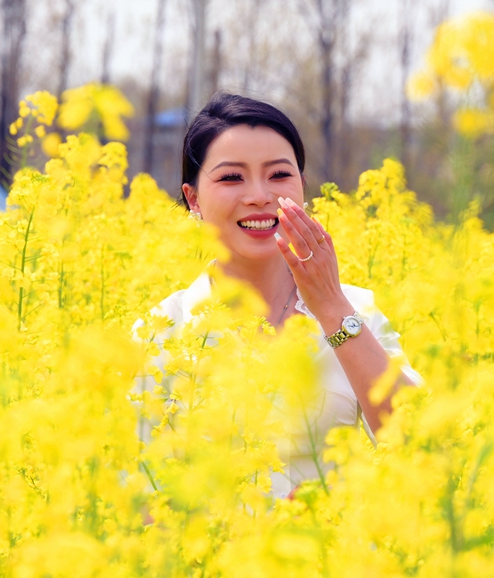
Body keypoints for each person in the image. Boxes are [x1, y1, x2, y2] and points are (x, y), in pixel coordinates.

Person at [134, 93, 419, 499]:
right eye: (232, 178)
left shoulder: (357, 313)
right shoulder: (161, 331)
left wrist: (332, 309)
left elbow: (421, 447)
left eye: (279, 175)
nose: (259, 195)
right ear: (193, 198)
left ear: (302, 187)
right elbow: (140, 494)